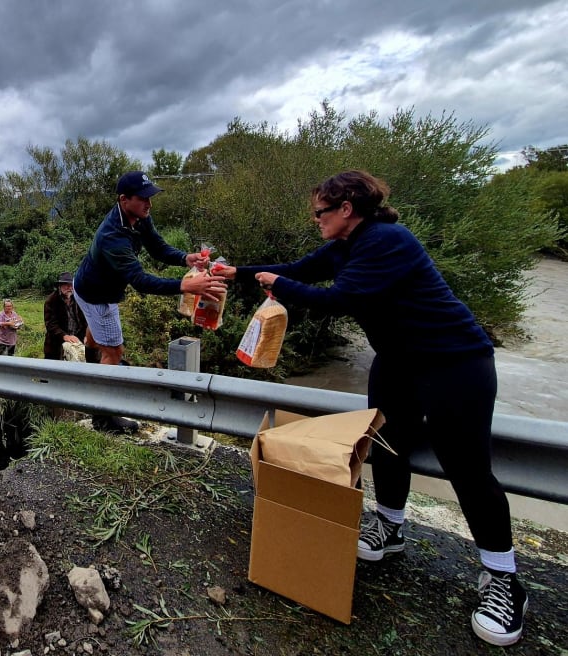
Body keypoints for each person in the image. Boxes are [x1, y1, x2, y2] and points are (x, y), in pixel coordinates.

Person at [215, 170, 527, 647]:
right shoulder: (344, 245)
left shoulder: (386, 240)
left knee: (465, 466)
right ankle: (391, 528)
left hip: (453, 362)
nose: (315, 220)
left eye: (320, 212)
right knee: (388, 444)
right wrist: (234, 273)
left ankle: (503, 579)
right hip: (397, 362)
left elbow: (341, 299)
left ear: (347, 209)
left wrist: (279, 284)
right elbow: (298, 268)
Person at [73, 171, 225, 433]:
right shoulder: (112, 237)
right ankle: (103, 418)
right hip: (98, 296)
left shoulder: (138, 217)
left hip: (87, 284)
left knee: (97, 340)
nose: (149, 203)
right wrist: (185, 285)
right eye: (143, 198)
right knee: (114, 352)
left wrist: (184, 258)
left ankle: (92, 369)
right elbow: (141, 281)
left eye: (150, 197)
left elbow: (158, 247)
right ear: (124, 200)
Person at [43, 272, 98, 363]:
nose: (69, 287)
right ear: (59, 286)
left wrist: (86, 335)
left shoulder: (79, 298)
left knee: (89, 358)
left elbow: (86, 318)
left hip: (78, 337)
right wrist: (65, 336)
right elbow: (50, 324)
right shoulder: (51, 300)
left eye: (71, 285)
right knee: (54, 367)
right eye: (66, 285)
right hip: (57, 340)